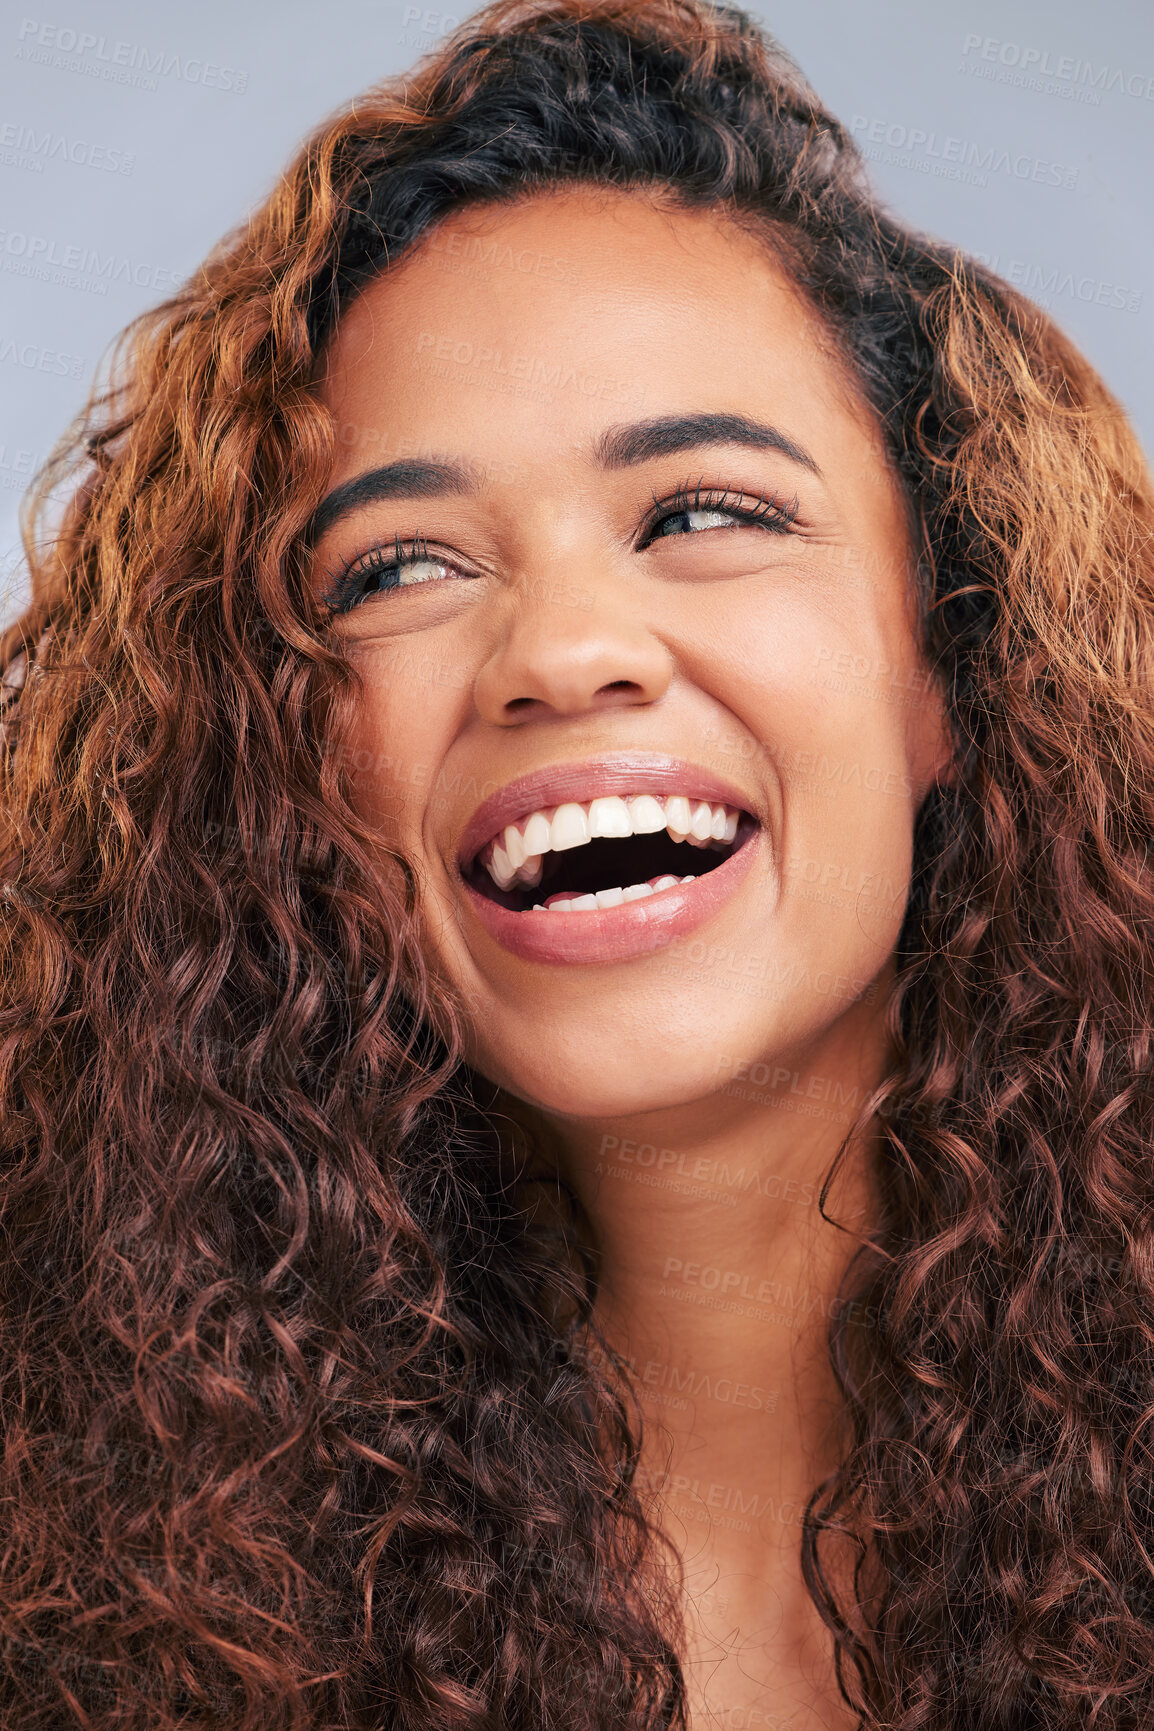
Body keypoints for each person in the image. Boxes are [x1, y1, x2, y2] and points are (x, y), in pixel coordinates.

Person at [2, 1, 1152, 1726]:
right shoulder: (69, 1582)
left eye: (701, 513)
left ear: (951, 663)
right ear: (284, 761)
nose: (562, 651)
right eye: (397, 566)